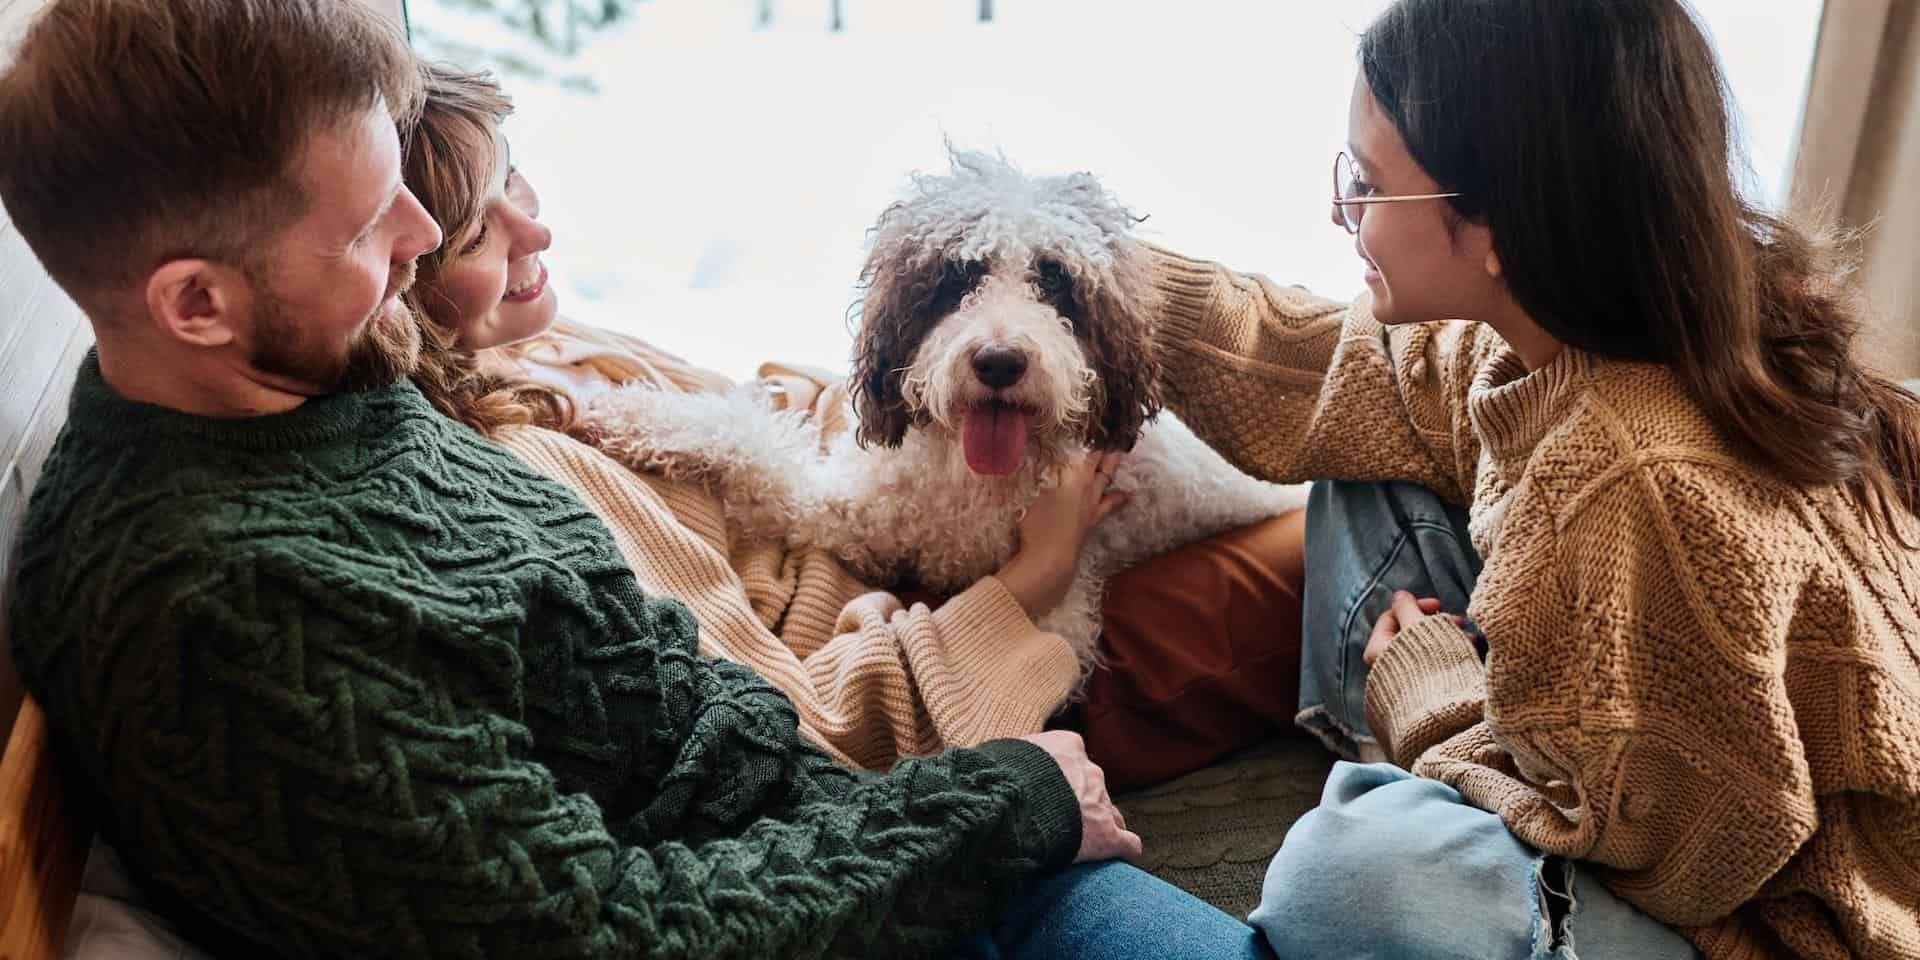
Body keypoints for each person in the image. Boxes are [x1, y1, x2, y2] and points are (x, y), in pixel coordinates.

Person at [0, 2, 1274, 957]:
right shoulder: (230, 614)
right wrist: (997, 804)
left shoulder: (315, 380)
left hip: (856, 835)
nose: (422, 245)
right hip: (860, 885)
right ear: (196, 303)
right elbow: (604, 934)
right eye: (368, 227)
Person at [1136, 1, 1920, 957]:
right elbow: (1331, 374)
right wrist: (1109, 280)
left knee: (1355, 870)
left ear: (1502, 217)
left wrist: (1439, 709)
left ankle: (1417, 775)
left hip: (1764, 915)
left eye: (1371, 186)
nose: (1341, 210)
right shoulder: (1610, 318)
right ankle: (1439, 762)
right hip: (1642, 749)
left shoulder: (1629, 477)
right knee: (1360, 466)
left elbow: (1675, 859)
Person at [393, 62, 1311, 789]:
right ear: (399, 262)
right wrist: (1043, 564)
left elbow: (787, 425)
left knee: (1338, 511)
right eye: (480, 231)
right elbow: (792, 716)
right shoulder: (519, 460)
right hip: (979, 658)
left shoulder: (558, 340)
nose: (538, 235)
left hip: (945, 561)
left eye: (519, 180)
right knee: (1337, 544)